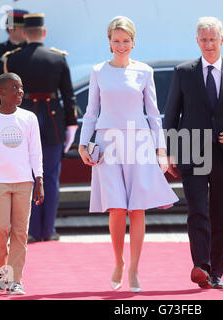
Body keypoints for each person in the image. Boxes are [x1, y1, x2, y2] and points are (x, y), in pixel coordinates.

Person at [78, 16, 178, 293]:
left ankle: (134, 268)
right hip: (108, 143)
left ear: (133, 42)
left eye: (126, 40)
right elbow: (91, 112)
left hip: (139, 142)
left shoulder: (144, 71)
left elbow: (154, 114)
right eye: (116, 40)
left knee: (137, 209)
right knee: (117, 207)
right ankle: (118, 262)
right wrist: (83, 143)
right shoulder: (99, 71)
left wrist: (161, 151)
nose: (121, 45)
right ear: (109, 42)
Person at [163, 17, 223, 289]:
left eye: (212, 39)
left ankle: (216, 271)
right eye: (203, 39)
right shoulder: (183, 72)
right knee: (197, 211)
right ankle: (201, 266)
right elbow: (171, 115)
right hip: (190, 149)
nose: (208, 44)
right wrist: (169, 152)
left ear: (222, 40)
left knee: (221, 213)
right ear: (197, 41)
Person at [4, 13, 79, 243]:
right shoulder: (58, 59)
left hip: (22, 122)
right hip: (52, 123)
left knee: (28, 178)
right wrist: (71, 125)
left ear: (25, 34)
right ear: (44, 33)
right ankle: (48, 230)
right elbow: (68, 96)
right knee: (50, 177)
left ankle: (32, 230)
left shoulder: (13, 59)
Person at [0, 73, 44, 295]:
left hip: (24, 181)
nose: (20, 92)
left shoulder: (29, 118)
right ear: (1, 93)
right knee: (0, 229)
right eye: (14, 88)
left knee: (20, 232)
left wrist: (40, 180)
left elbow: (36, 151)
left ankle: (15, 279)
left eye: (21, 87)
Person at [0, 9, 29, 115]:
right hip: (1, 109)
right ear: (11, 29)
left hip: (28, 108)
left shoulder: (32, 51)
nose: (27, 32)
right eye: (23, 29)